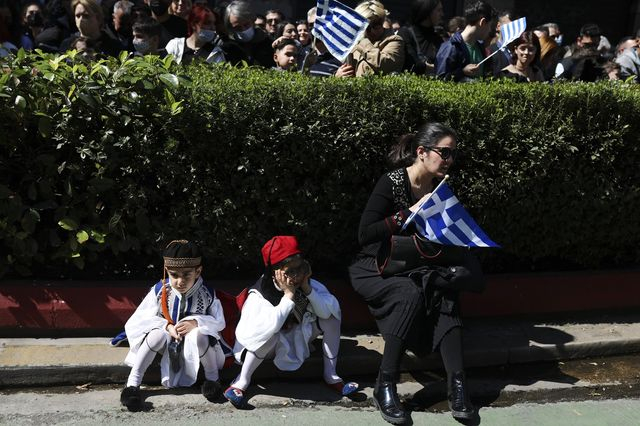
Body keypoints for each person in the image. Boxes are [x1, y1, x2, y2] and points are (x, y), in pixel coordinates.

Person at [349, 122, 484, 424]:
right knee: (410, 293)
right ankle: (385, 385)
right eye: (444, 152)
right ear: (421, 152)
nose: (449, 159)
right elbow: (364, 235)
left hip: (418, 266)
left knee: (444, 290)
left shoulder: (441, 186)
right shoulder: (392, 182)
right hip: (377, 266)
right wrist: (406, 213)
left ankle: (457, 386)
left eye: (453, 154)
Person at [224, 236, 358, 408]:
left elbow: (326, 312)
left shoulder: (307, 283)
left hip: (298, 337)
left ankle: (331, 375)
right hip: (269, 346)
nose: (296, 276)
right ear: (275, 272)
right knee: (270, 335)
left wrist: (308, 290)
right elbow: (267, 328)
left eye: (300, 268)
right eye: (290, 271)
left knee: (331, 317)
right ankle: (240, 382)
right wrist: (288, 295)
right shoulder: (259, 294)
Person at [120, 240, 226, 411]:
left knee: (198, 335)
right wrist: (166, 326)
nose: (179, 281)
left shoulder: (207, 294)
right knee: (156, 335)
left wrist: (197, 322)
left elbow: (219, 322)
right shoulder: (160, 290)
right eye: (174, 275)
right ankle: (132, 384)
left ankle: (213, 380)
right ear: (167, 271)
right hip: (166, 343)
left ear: (198, 271)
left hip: (197, 346)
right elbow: (140, 318)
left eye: (186, 275)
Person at [435, 0, 496, 81]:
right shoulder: (451, 47)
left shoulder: (480, 47)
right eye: (490, 26)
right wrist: (462, 72)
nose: (489, 31)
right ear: (483, 22)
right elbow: (439, 80)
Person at [352, 0, 405, 76]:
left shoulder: (394, 40)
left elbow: (385, 65)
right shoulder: (353, 44)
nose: (372, 31)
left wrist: (363, 42)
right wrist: (338, 74)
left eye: (376, 25)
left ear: (382, 21)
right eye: (367, 27)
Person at [59, 0, 124, 57]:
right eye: (78, 16)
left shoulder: (113, 46)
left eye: (86, 16)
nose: (81, 19)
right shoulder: (67, 45)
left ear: (98, 18)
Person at [397, 0, 444, 75]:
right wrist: (433, 68)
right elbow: (412, 65)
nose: (442, 14)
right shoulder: (406, 33)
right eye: (439, 10)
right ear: (427, 11)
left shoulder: (437, 39)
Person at [222, 0, 273, 67]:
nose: (243, 30)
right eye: (237, 27)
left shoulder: (269, 43)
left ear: (253, 20)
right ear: (231, 27)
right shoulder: (227, 47)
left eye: (246, 25)